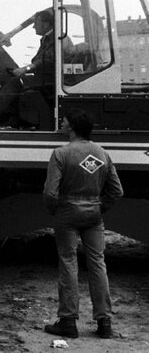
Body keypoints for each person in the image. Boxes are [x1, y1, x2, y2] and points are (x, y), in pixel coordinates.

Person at [42, 108, 123, 339]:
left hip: (67, 213)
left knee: (68, 262)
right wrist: (99, 207)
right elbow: (117, 191)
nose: (63, 123)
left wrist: (54, 210)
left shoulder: (61, 154)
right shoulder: (103, 154)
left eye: (65, 121)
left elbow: (50, 192)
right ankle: (104, 323)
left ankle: (68, 321)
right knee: (98, 263)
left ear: (72, 127)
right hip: (94, 214)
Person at [0, 8, 69, 128]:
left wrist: (25, 69)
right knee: (15, 82)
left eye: (36, 23)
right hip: (46, 78)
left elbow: (46, 60)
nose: (33, 26)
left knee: (15, 82)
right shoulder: (49, 38)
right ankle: (12, 119)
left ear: (46, 24)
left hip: (50, 80)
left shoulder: (55, 39)